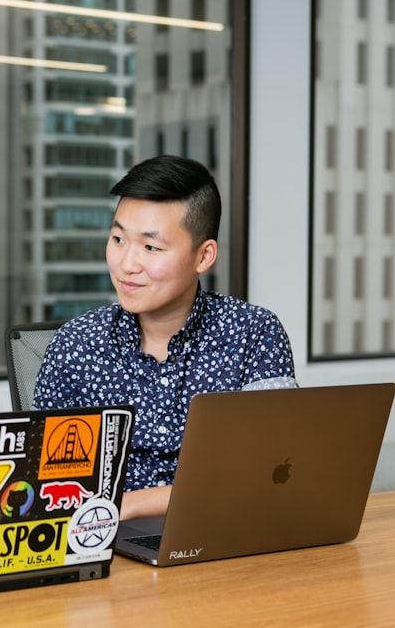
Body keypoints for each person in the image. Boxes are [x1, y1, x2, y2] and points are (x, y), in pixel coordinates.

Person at [33, 155, 296, 521]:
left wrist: (130, 504)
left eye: (150, 247)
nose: (127, 264)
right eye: (118, 238)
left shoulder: (254, 333)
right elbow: (51, 486)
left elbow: (272, 472)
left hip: (224, 538)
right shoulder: (76, 345)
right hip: (105, 545)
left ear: (204, 256)